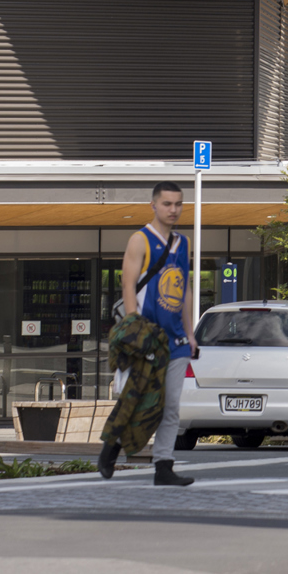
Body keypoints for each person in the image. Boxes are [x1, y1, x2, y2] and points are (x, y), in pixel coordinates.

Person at [100, 181, 199, 486]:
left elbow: (184, 288)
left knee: (170, 407)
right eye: (167, 204)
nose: (174, 210)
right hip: (147, 339)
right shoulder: (139, 240)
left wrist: (190, 332)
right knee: (136, 399)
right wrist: (134, 330)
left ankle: (163, 467)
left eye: (178, 204)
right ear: (154, 205)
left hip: (176, 342)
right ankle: (111, 447)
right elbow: (129, 285)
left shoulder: (183, 243)